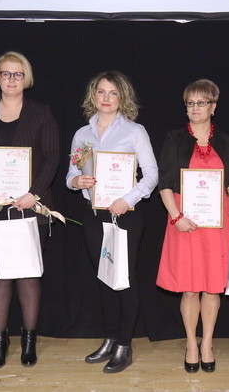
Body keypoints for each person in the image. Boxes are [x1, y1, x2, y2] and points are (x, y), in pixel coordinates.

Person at [0, 51, 60, 369]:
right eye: (5, 74)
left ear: (26, 78)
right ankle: (0, 341)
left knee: (29, 276)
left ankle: (29, 341)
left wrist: (34, 194)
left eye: (17, 74)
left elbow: (52, 156)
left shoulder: (41, 112)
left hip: (29, 208)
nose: (11, 79)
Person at [66, 71, 158, 374]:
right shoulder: (82, 134)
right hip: (94, 215)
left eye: (113, 93)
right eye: (101, 92)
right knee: (104, 277)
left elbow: (152, 175)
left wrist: (128, 199)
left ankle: (124, 345)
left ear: (123, 97)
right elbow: (70, 174)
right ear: (93, 96)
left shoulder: (135, 131)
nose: (106, 98)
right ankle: (110, 338)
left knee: (124, 279)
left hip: (125, 214)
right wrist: (76, 181)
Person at [156, 79, 229, 374]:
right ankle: (190, 344)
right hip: (183, 221)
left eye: (201, 103)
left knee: (212, 288)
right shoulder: (174, 138)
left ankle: (207, 343)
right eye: (190, 103)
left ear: (213, 107)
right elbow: (164, 183)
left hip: (217, 224)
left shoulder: (228, 139)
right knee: (190, 289)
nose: (195, 108)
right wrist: (176, 216)